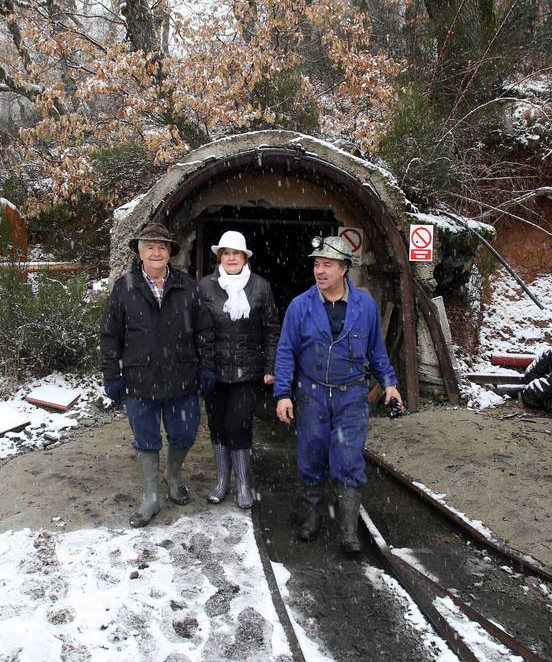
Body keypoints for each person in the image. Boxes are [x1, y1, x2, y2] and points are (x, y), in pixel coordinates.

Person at [273, 235, 402, 555]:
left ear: (344, 269)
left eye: (327, 265)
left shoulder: (365, 306)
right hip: (311, 395)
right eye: (317, 264)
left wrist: (389, 382)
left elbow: (376, 350)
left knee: (348, 458)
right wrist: (282, 393)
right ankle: (314, 515)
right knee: (311, 456)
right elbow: (286, 351)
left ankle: (347, 529)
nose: (320, 270)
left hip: (351, 396)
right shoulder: (300, 306)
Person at [100, 222, 216, 528]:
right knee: (146, 441)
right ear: (140, 252)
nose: (156, 252)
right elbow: (110, 336)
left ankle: (173, 475)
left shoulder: (187, 286)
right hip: (140, 379)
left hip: (181, 377)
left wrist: (206, 366)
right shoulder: (124, 287)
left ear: (170, 253)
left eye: (162, 247)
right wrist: (112, 374)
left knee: (185, 434)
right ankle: (151, 497)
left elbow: (204, 331)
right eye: (149, 246)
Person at [198, 231, 280, 509]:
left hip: (247, 371)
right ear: (220, 257)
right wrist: (203, 367)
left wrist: (270, 365)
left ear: (245, 257)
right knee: (217, 425)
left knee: (239, 425)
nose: (231, 258)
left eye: (236, 253)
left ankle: (243, 484)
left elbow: (271, 329)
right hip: (215, 371)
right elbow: (200, 331)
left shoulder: (260, 287)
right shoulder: (206, 287)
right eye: (226, 253)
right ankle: (222, 482)